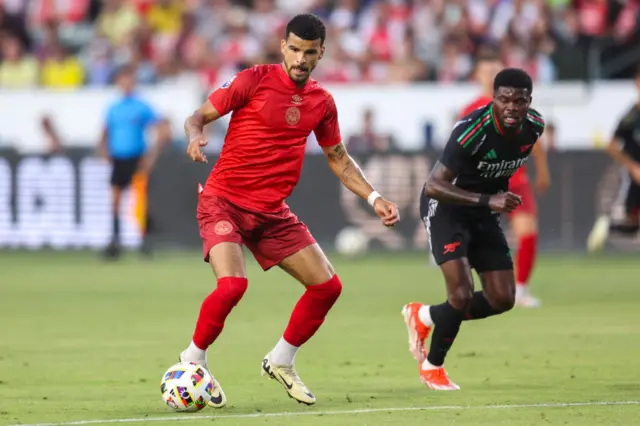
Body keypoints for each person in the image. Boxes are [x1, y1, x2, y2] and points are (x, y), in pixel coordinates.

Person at [180, 13, 400, 408]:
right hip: (224, 201)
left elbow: (339, 159)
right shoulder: (253, 80)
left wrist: (375, 198)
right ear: (283, 46)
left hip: (271, 212)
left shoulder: (321, 102)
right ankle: (193, 360)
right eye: (294, 49)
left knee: (327, 286)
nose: (300, 58)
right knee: (233, 286)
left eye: (309, 52)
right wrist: (196, 137)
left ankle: (282, 359)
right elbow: (197, 116)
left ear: (321, 54)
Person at [402, 68, 544, 391]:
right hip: (447, 209)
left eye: (519, 101)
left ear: (529, 102)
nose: (511, 107)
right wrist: (487, 198)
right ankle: (432, 366)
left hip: (482, 212)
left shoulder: (535, 127)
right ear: (493, 99)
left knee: (503, 297)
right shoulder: (472, 130)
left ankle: (424, 316)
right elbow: (434, 185)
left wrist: (491, 199)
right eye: (504, 99)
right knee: (461, 292)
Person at [459, 53, 551, 308]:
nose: (490, 75)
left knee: (528, 233)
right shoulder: (472, 109)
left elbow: (535, 140)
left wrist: (543, 172)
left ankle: (520, 289)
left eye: (495, 71)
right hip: (483, 183)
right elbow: (461, 148)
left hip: (515, 181)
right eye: (486, 71)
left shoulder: (519, 106)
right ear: (477, 76)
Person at [98, 65, 169, 259]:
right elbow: (105, 133)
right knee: (115, 200)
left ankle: (145, 241)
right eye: (123, 80)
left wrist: (151, 155)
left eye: (129, 79)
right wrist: (104, 152)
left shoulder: (142, 106)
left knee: (140, 201)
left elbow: (161, 129)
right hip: (119, 159)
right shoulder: (113, 108)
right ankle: (115, 241)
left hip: (137, 157)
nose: (126, 83)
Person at [587, 66, 640, 251]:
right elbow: (611, 145)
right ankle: (607, 226)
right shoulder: (631, 117)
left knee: (633, 224)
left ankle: (608, 227)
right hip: (636, 174)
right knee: (632, 223)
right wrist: (632, 166)